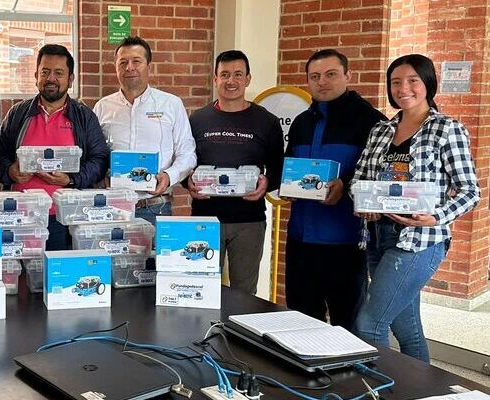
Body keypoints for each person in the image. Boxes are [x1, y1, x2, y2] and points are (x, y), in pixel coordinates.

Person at [353, 54, 479, 362]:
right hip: (378, 236)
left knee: (369, 325)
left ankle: (379, 391)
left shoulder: (447, 129)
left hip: (419, 241)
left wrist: (435, 216)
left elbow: (470, 191)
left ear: (428, 84)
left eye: (412, 81)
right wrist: (363, 203)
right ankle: (424, 391)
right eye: (396, 82)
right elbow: (360, 178)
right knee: (407, 329)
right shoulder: (380, 131)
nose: (403, 88)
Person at [284, 49, 386, 332]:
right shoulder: (302, 123)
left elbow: (380, 176)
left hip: (346, 242)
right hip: (300, 240)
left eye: (331, 74)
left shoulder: (372, 121)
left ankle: (349, 378)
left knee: (347, 326)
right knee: (300, 322)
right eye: (314, 76)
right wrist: (287, 185)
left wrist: (347, 182)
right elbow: (290, 167)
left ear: (347, 76)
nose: (322, 82)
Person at [0, 44, 109, 250]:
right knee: (23, 279)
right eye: (45, 72)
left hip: (65, 218)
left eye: (59, 73)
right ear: (36, 75)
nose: (51, 78)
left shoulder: (84, 116)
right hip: (20, 217)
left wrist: (71, 179)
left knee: (60, 278)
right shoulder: (18, 114)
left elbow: (99, 160)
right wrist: (10, 172)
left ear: (70, 79)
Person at [187, 50, 284, 295]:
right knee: (202, 289)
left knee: (245, 293)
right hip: (205, 220)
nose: (231, 81)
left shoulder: (267, 122)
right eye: (225, 75)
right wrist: (187, 183)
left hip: (249, 221)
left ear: (248, 79)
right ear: (215, 79)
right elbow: (185, 163)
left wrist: (267, 182)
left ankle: (238, 334)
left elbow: (279, 167)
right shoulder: (198, 120)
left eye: (238, 74)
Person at [93, 36, 196, 225]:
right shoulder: (102, 107)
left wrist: (168, 176)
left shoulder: (171, 104)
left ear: (149, 67)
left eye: (136, 61)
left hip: (156, 207)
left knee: (152, 256)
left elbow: (187, 154)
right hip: (112, 207)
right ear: (116, 67)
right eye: (123, 62)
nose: (129, 67)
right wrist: (102, 177)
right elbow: (94, 154)